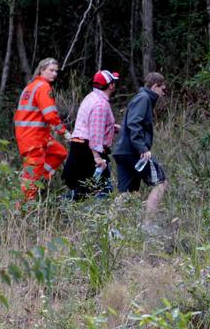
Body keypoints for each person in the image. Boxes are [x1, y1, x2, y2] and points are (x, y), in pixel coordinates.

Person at [111, 72, 169, 228]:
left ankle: (109, 227)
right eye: (163, 90)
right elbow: (134, 123)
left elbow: (130, 123)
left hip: (123, 151)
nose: (163, 94)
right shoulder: (144, 98)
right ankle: (148, 224)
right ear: (155, 86)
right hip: (133, 152)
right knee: (160, 183)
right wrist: (142, 148)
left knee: (127, 193)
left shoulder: (141, 98)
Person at [13, 58, 70, 200]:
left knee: (59, 152)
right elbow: (50, 116)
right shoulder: (43, 88)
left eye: (56, 71)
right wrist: (65, 133)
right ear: (41, 70)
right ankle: (23, 210)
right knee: (30, 178)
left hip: (36, 137)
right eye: (51, 70)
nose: (55, 74)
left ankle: (41, 180)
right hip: (33, 140)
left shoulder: (31, 86)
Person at [62, 70, 119, 199]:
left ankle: (61, 209)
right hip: (88, 150)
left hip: (81, 146)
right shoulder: (100, 104)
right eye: (114, 82)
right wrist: (97, 157)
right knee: (101, 190)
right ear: (111, 85)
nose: (115, 84)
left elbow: (91, 124)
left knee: (82, 189)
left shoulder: (91, 97)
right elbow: (95, 133)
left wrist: (111, 128)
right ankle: (98, 216)